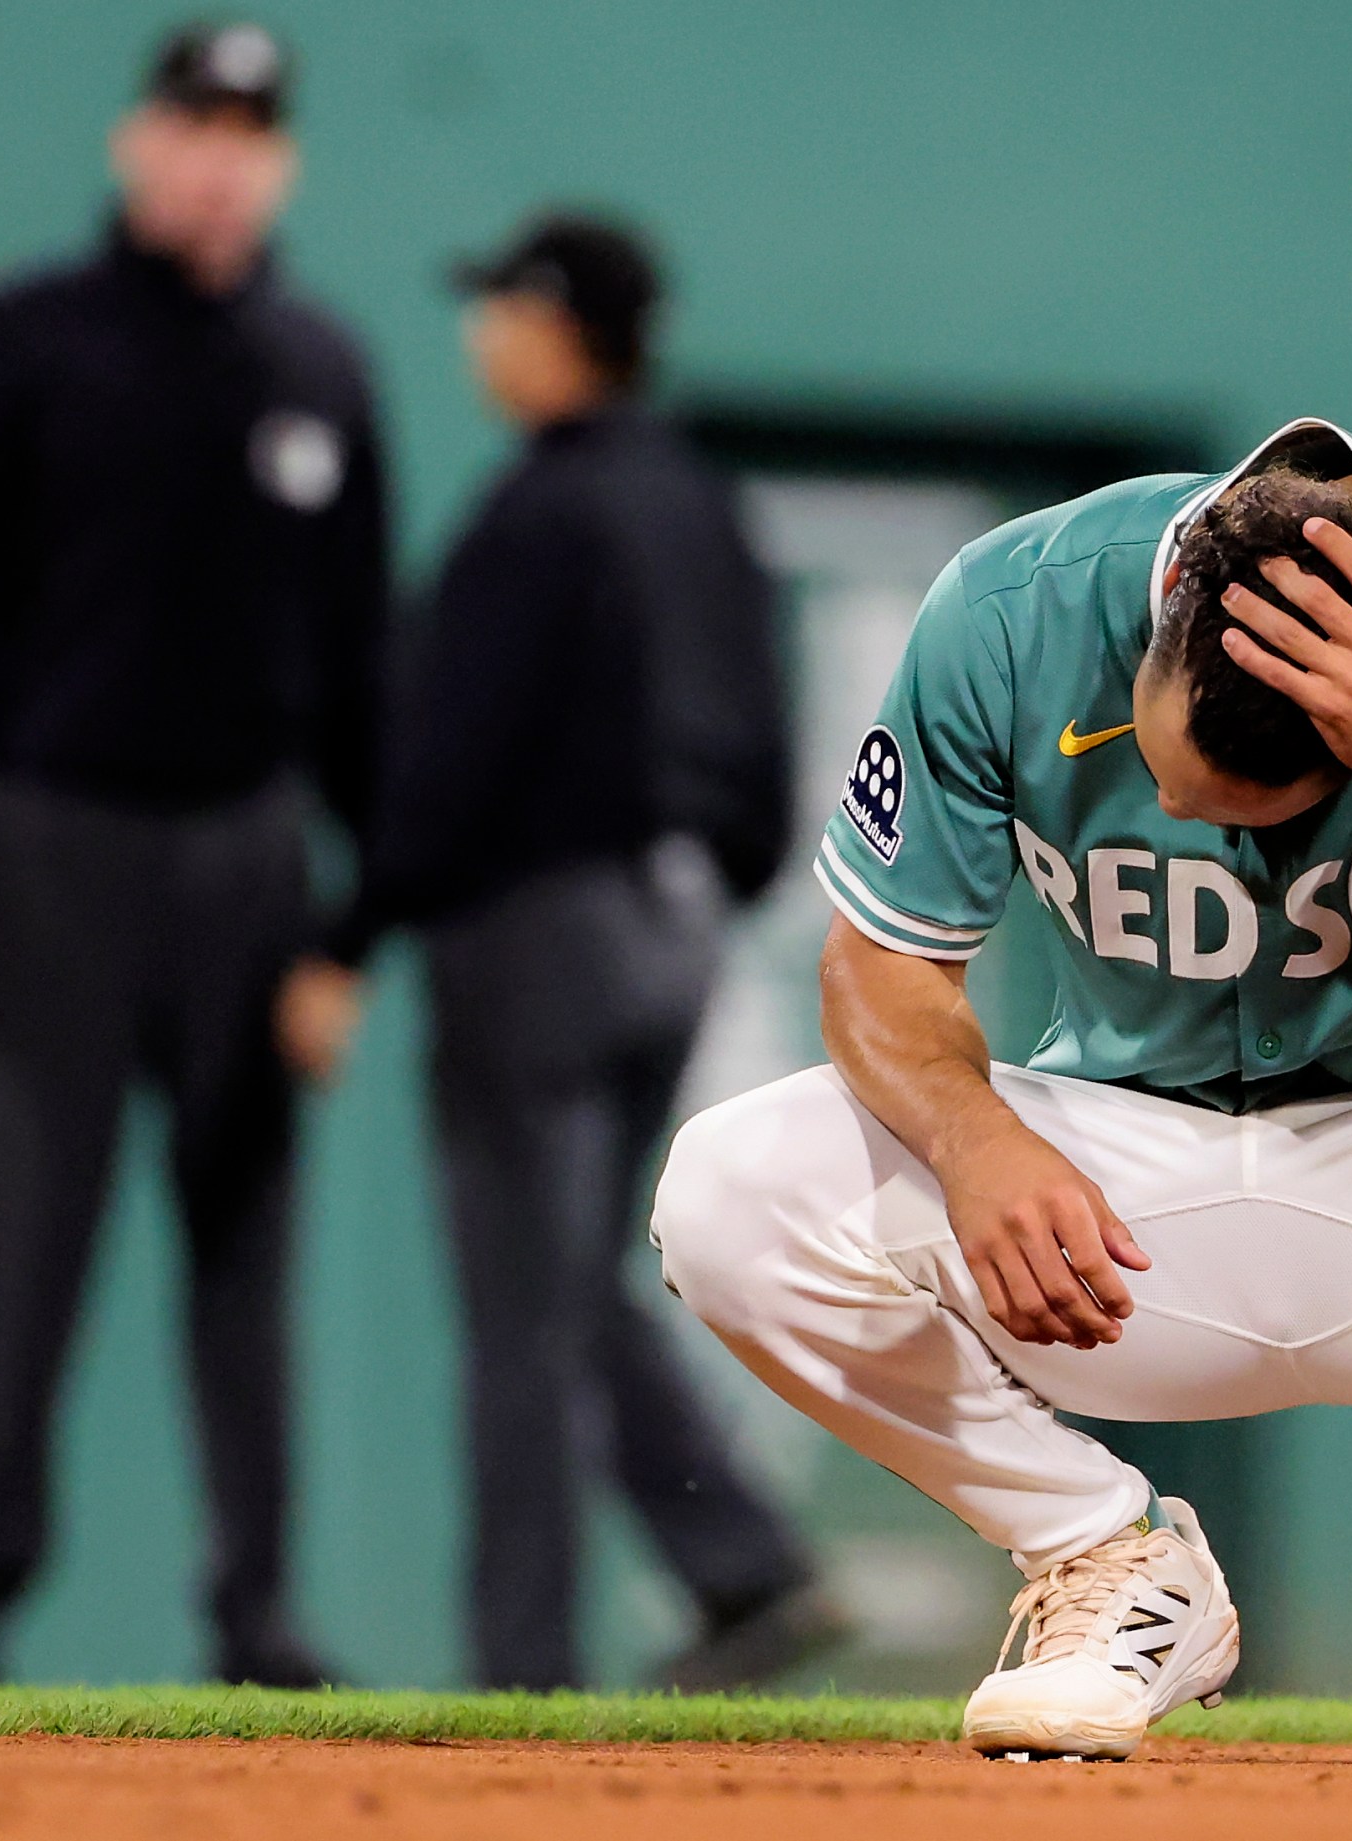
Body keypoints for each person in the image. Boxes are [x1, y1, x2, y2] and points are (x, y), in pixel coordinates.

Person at [654, 417, 1352, 1766]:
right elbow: (878, 969)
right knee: (729, 1186)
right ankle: (1111, 1565)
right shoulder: (1016, 602)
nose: (1213, 829)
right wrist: (976, 1140)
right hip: (1114, 1220)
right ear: (1168, 606)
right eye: (1185, 776)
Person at [0, 21, 389, 1686]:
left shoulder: (321, 371)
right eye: (194, 123)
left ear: (282, 162)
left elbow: (363, 666)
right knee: (12, 1247)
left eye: (252, 132)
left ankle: (257, 1610)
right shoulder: (16, 344)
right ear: (140, 141)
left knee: (245, 1259)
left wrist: (350, 930)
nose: (220, 158)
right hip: (54, 849)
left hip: (251, 864)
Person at [346, 214, 827, 1691]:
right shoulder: (698, 500)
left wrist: (347, 929)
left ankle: (523, 1670)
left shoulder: (537, 512)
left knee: (520, 1316)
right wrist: (710, 880)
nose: (482, 333)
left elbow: (449, 754)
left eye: (499, 306)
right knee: (568, 1284)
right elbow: (769, 750)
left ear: (557, 327)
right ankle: (744, 1563)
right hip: (679, 935)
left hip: (540, 936)